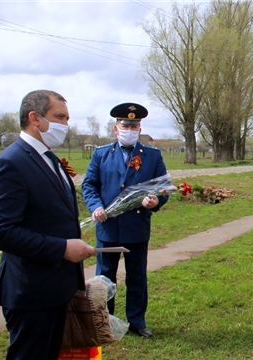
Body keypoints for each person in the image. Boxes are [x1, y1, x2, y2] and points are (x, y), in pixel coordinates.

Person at [0, 90, 97, 360]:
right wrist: (61, 249)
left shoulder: (49, 158)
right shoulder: (12, 163)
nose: (65, 125)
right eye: (59, 117)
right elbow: (0, 231)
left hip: (56, 286)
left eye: (67, 118)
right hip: (31, 291)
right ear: (34, 118)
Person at [82, 102, 169, 339]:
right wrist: (96, 206)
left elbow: (162, 188)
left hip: (136, 227)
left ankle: (137, 322)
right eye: (126, 124)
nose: (130, 128)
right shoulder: (101, 154)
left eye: (135, 125)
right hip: (108, 227)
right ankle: (105, 321)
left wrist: (156, 201)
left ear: (140, 129)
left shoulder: (152, 156)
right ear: (115, 128)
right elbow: (89, 184)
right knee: (104, 278)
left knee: (137, 277)